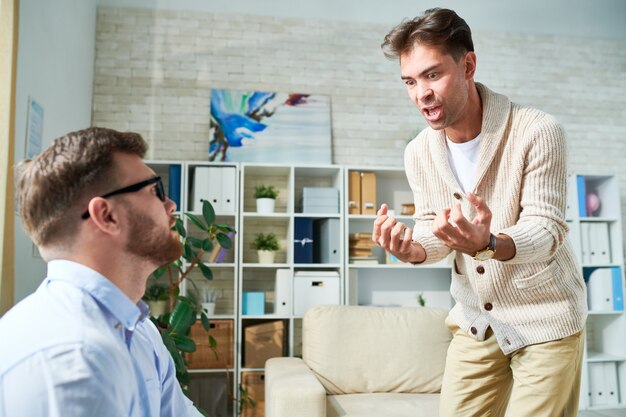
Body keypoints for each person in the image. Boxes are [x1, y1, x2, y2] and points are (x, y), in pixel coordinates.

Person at [373, 8, 587, 417]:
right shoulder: (419, 150)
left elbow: (546, 229)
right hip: (476, 321)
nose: (421, 94)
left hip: (546, 318)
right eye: (410, 81)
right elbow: (433, 229)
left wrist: (488, 243)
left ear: (467, 65)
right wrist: (412, 249)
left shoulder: (538, 130)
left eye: (433, 75)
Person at [0, 127, 202, 416]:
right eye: (155, 190)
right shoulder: (73, 361)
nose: (171, 205)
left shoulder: (140, 331)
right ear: (106, 216)